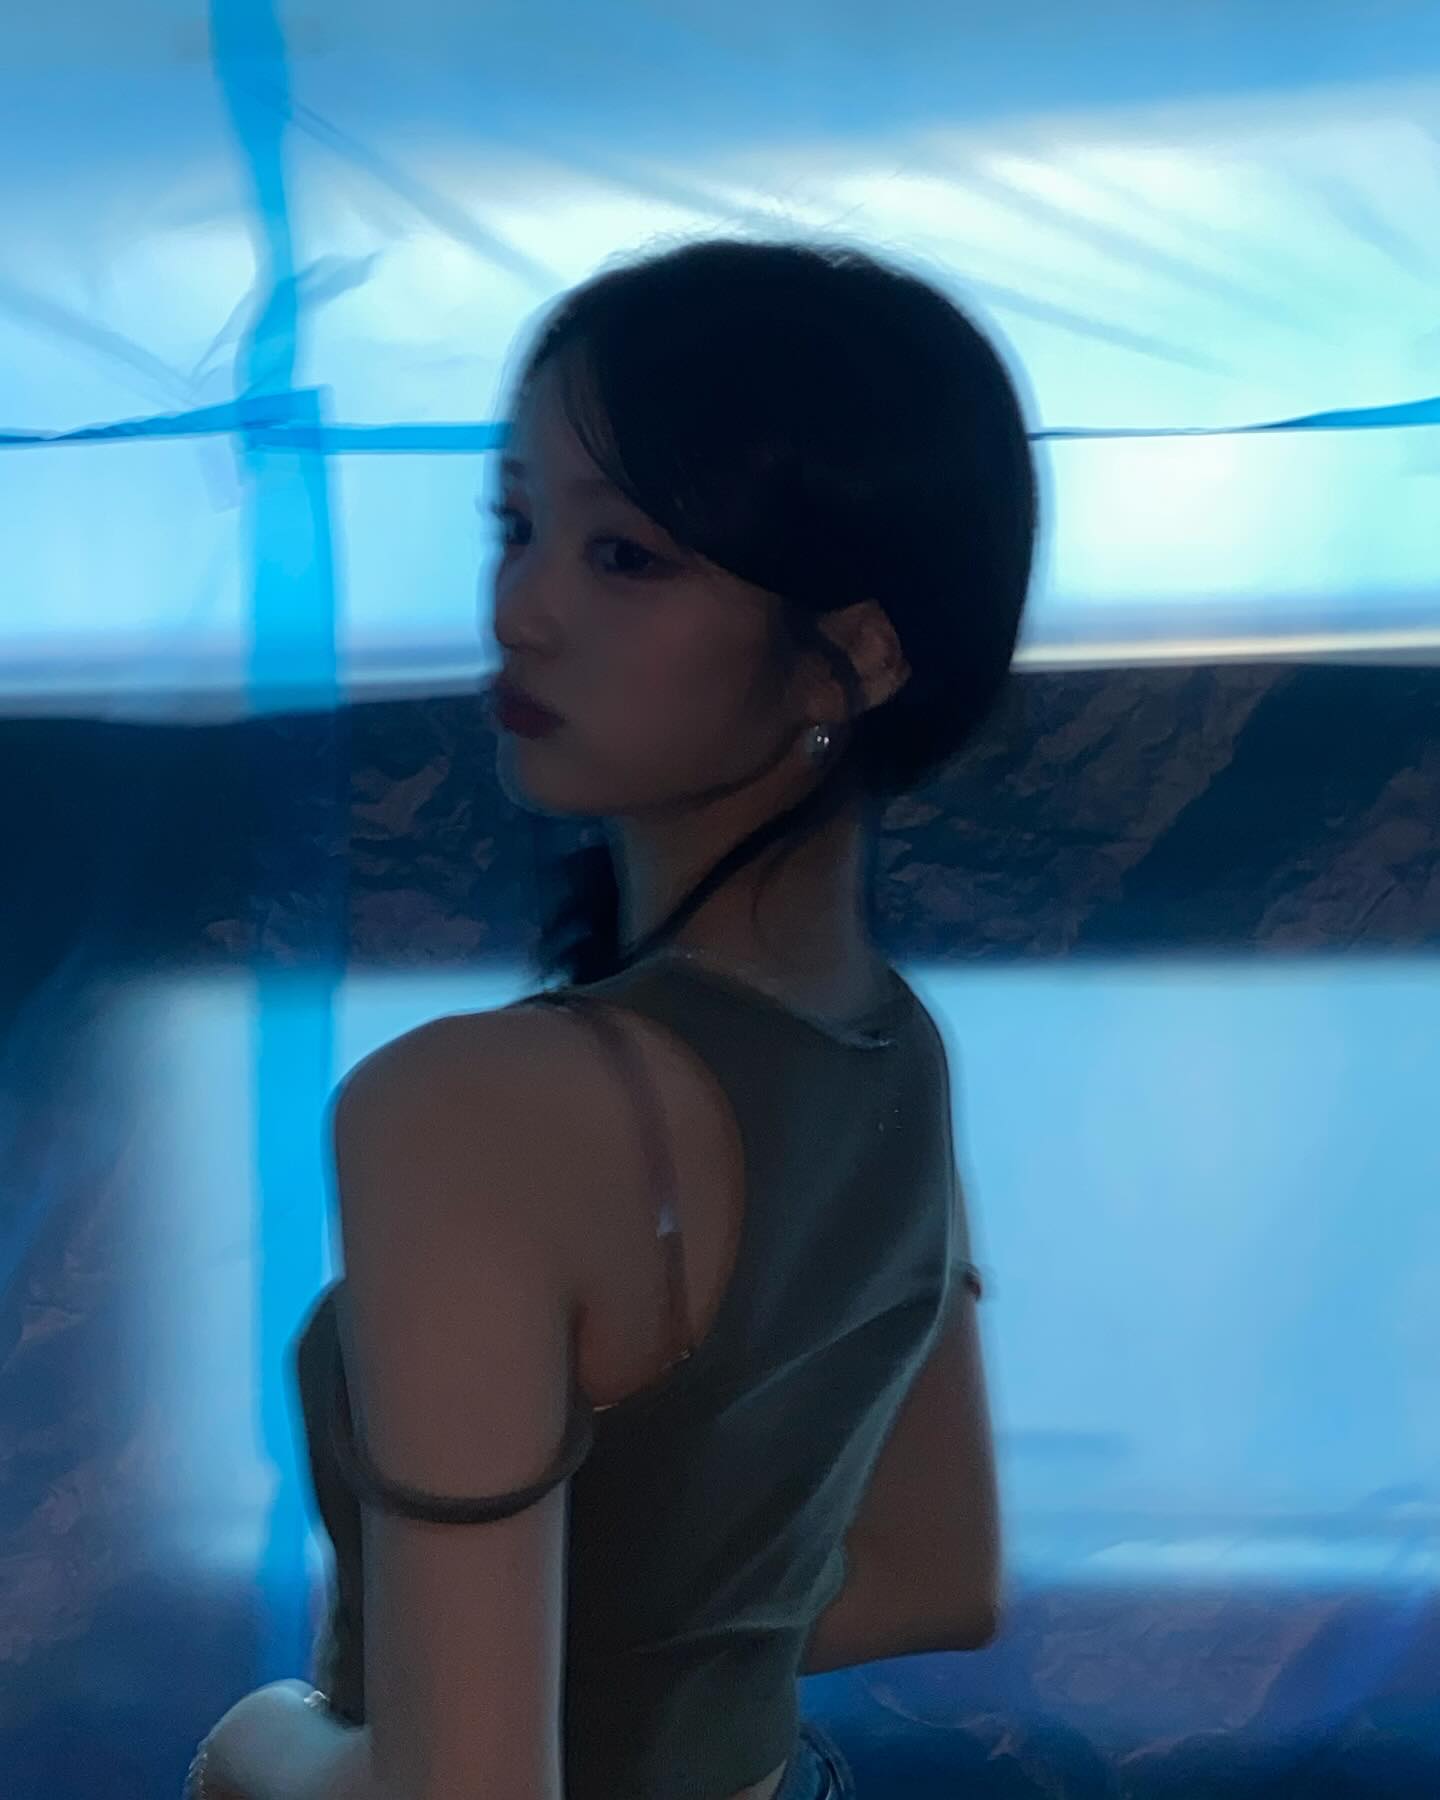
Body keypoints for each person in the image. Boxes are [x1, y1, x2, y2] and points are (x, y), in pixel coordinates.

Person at [186, 236, 1037, 1800]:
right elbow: (934, 1582)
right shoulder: (896, 1055)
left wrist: (256, 1744)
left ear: (852, 657)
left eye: (626, 555)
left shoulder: (476, 1108)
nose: (519, 610)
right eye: (516, 527)